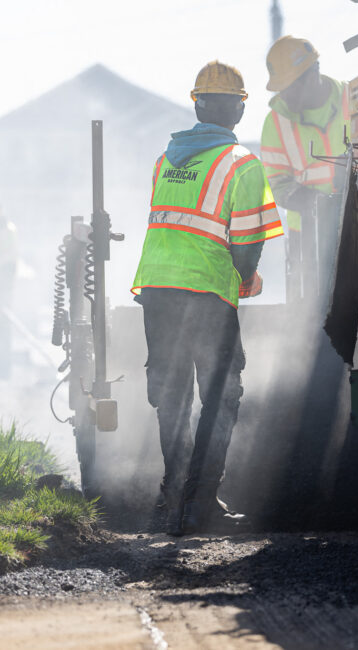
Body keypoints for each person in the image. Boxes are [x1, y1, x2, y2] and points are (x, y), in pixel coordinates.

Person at [131, 60, 283, 536]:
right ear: (239, 108)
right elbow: (246, 240)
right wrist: (247, 277)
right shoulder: (242, 163)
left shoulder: (166, 159)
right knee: (220, 396)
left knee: (171, 395)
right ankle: (199, 505)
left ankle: (172, 497)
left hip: (156, 288)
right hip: (207, 292)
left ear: (196, 104)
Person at [261, 36, 350, 302]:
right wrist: (318, 205)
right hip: (306, 237)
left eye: (287, 87)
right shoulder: (276, 122)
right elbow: (277, 184)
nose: (283, 96)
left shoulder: (354, 100)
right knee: (309, 315)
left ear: (313, 76)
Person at [0, 213, 17, 380]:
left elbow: (9, 262)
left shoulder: (8, 231)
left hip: (3, 284)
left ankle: (4, 369)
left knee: (4, 327)